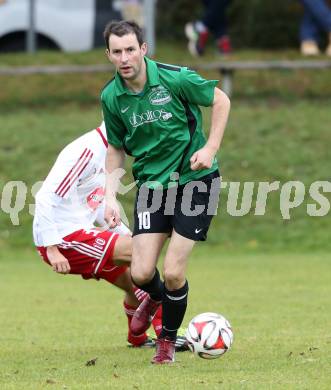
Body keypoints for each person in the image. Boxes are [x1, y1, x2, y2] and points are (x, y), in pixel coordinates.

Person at [101, 20, 230, 364]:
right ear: (109, 55)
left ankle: (167, 342)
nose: (124, 57)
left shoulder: (175, 78)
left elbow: (220, 100)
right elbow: (115, 147)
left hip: (194, 181)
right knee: (142, 273)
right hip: (151, 187)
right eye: (117, 52)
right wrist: (110, 194)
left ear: (143, 49)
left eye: (130, 49)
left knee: (173, 271)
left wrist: (211, 148)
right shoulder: (111, 97)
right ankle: (156, 298)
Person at [32, 122, 162, 348]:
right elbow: (45, 197)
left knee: (134, 281)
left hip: (81, 231)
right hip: (63, 238)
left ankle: (138, 339)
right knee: (142, 252)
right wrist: (52, 249)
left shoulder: (110, 154)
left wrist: (122, 231)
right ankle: (168, 333)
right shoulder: (86, 152)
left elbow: (92, 199)